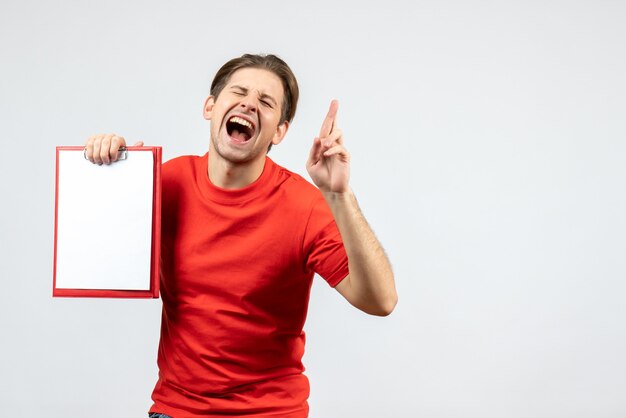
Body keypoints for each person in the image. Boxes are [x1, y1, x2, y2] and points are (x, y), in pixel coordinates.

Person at [84, 53, 397, 418]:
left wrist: (339, 196)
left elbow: (380, 301)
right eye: (240, 93)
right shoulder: (167, 183)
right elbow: (100, 257)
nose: (249, 104)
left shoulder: (305, 206)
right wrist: (112, 171)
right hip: (176, 410)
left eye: (266, 102)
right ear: (210, 107)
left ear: (279, 131)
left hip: (271, 412)